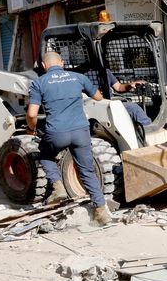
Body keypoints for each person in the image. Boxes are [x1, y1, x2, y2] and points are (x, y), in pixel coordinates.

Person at [26, 52, 112, 226]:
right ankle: (101, 211)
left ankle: (58, 187)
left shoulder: (39, 83)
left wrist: (31, 128)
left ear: (44, 65)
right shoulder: (78, 77)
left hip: (56, 133)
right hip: (81, 131)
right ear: (62, 63)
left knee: (45, 154)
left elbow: (31, 113)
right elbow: (98, 97)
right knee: (87, 171)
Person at [85, 68, 152, 126]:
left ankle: (146, 129)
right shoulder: (80, 75)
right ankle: (148, 130)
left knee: (133, 108)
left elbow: (118, 87)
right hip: (93, 106)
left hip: (110, 104)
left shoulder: (105, 71)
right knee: (133, 108)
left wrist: (130, 85)